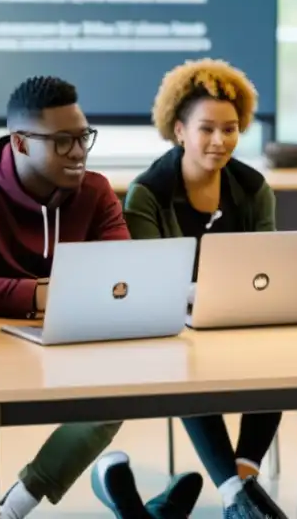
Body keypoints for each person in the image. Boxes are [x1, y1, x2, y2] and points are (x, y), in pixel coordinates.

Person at [0, 75, 201, 519]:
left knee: (119, 387)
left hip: (78, 340)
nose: (78, 152)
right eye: (62, 142)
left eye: (83, 138)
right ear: (20, 143)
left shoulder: (94, 191)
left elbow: (120, 271)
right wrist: (45, 295)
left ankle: (13, 507)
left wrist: (61, 297)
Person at [118, 58, 287, 519]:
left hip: (240, 318)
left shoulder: (253, 189)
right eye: (207, 129)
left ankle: (243, 481)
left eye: (231, 129)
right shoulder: (147, 193)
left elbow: (267, 271)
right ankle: (237, 493)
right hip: (178, 328)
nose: (220, 141)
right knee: (184, 358)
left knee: (285, 352)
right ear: (178, 131)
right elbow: (151, 284)